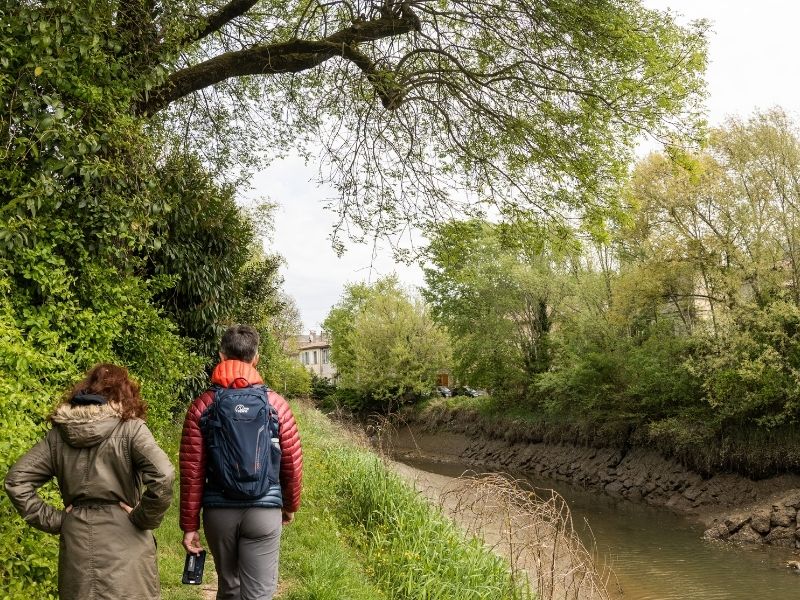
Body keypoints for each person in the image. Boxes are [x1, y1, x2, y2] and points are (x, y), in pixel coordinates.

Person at [5, 363, 175, 600]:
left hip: (78, 543)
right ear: (123, 393)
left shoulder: (59, 436)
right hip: (126, 538)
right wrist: (143, 518)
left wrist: (58, 520)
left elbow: (16, 481)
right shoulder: (131, 430)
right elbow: (163, 475)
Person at [179, 324, 303, 600]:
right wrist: (290, 505)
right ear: (255, 358)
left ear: (221, 357)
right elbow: (292, 462)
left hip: (218, 512)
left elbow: (192, 472)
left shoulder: (202, 405)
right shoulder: (276, 405)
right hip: (264, 510)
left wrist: (189, 525)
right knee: (258, 594)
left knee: (230, 588)